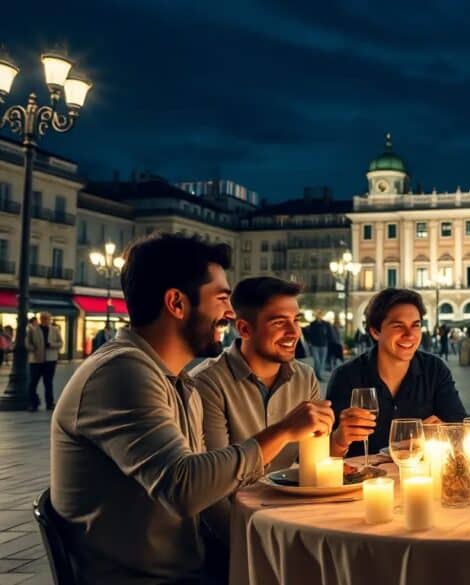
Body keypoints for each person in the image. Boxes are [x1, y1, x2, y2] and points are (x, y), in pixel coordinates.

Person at [50, 233, 335, 585]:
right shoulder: (121, 372)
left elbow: (214, 480)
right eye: (221, 299)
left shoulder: (178, 381)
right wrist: (283, 431)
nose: (230, 314)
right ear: (177, 303)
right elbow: (185, 488)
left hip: (190, 567)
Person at [191, 276, 322, 543]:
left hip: (292, 524)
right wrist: (252, 547)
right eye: (279, 323)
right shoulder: (207, 383)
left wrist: (338, 444)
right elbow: (212, 491)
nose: (294, 332)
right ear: (244, 328)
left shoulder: (305, 377)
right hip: (234, 540)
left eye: (296, 320)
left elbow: (312, 466)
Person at [327, 288, 470, 458]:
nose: (410, 335)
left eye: (415, 325)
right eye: (398, 326)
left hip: (420, 477)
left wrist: (444, 432)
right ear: (375, 331)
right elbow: (321, 452)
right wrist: (339, 440)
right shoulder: (346, 376)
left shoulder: (434, 369)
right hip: (362, 480)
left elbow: (461, 427)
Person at [26, 311, 63, 411]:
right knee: (33, 383)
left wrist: (52, 345)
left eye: (47, 318)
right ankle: (33, 403)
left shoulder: (55, 330)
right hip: (36, 360)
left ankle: (49, 404)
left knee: (48, 383)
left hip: (50, 359)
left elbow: (60, 343)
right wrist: (33, 348)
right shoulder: (33, 329)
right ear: (39, 319)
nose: (45, 320)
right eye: (43, 318)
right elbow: (27, 343)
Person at [303, 311, 331, 379]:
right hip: (315, 345)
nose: (319, 316)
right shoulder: (313, 324)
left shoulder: (326, 324)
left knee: (322, 362)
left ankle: (316, 375)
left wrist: (329, 342)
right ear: (316, 316)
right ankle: (319, 376)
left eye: (320, 314)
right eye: (318, 314)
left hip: (324, 345)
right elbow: (308, 333)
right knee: (317, 361)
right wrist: (309, 342)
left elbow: (329, 334)